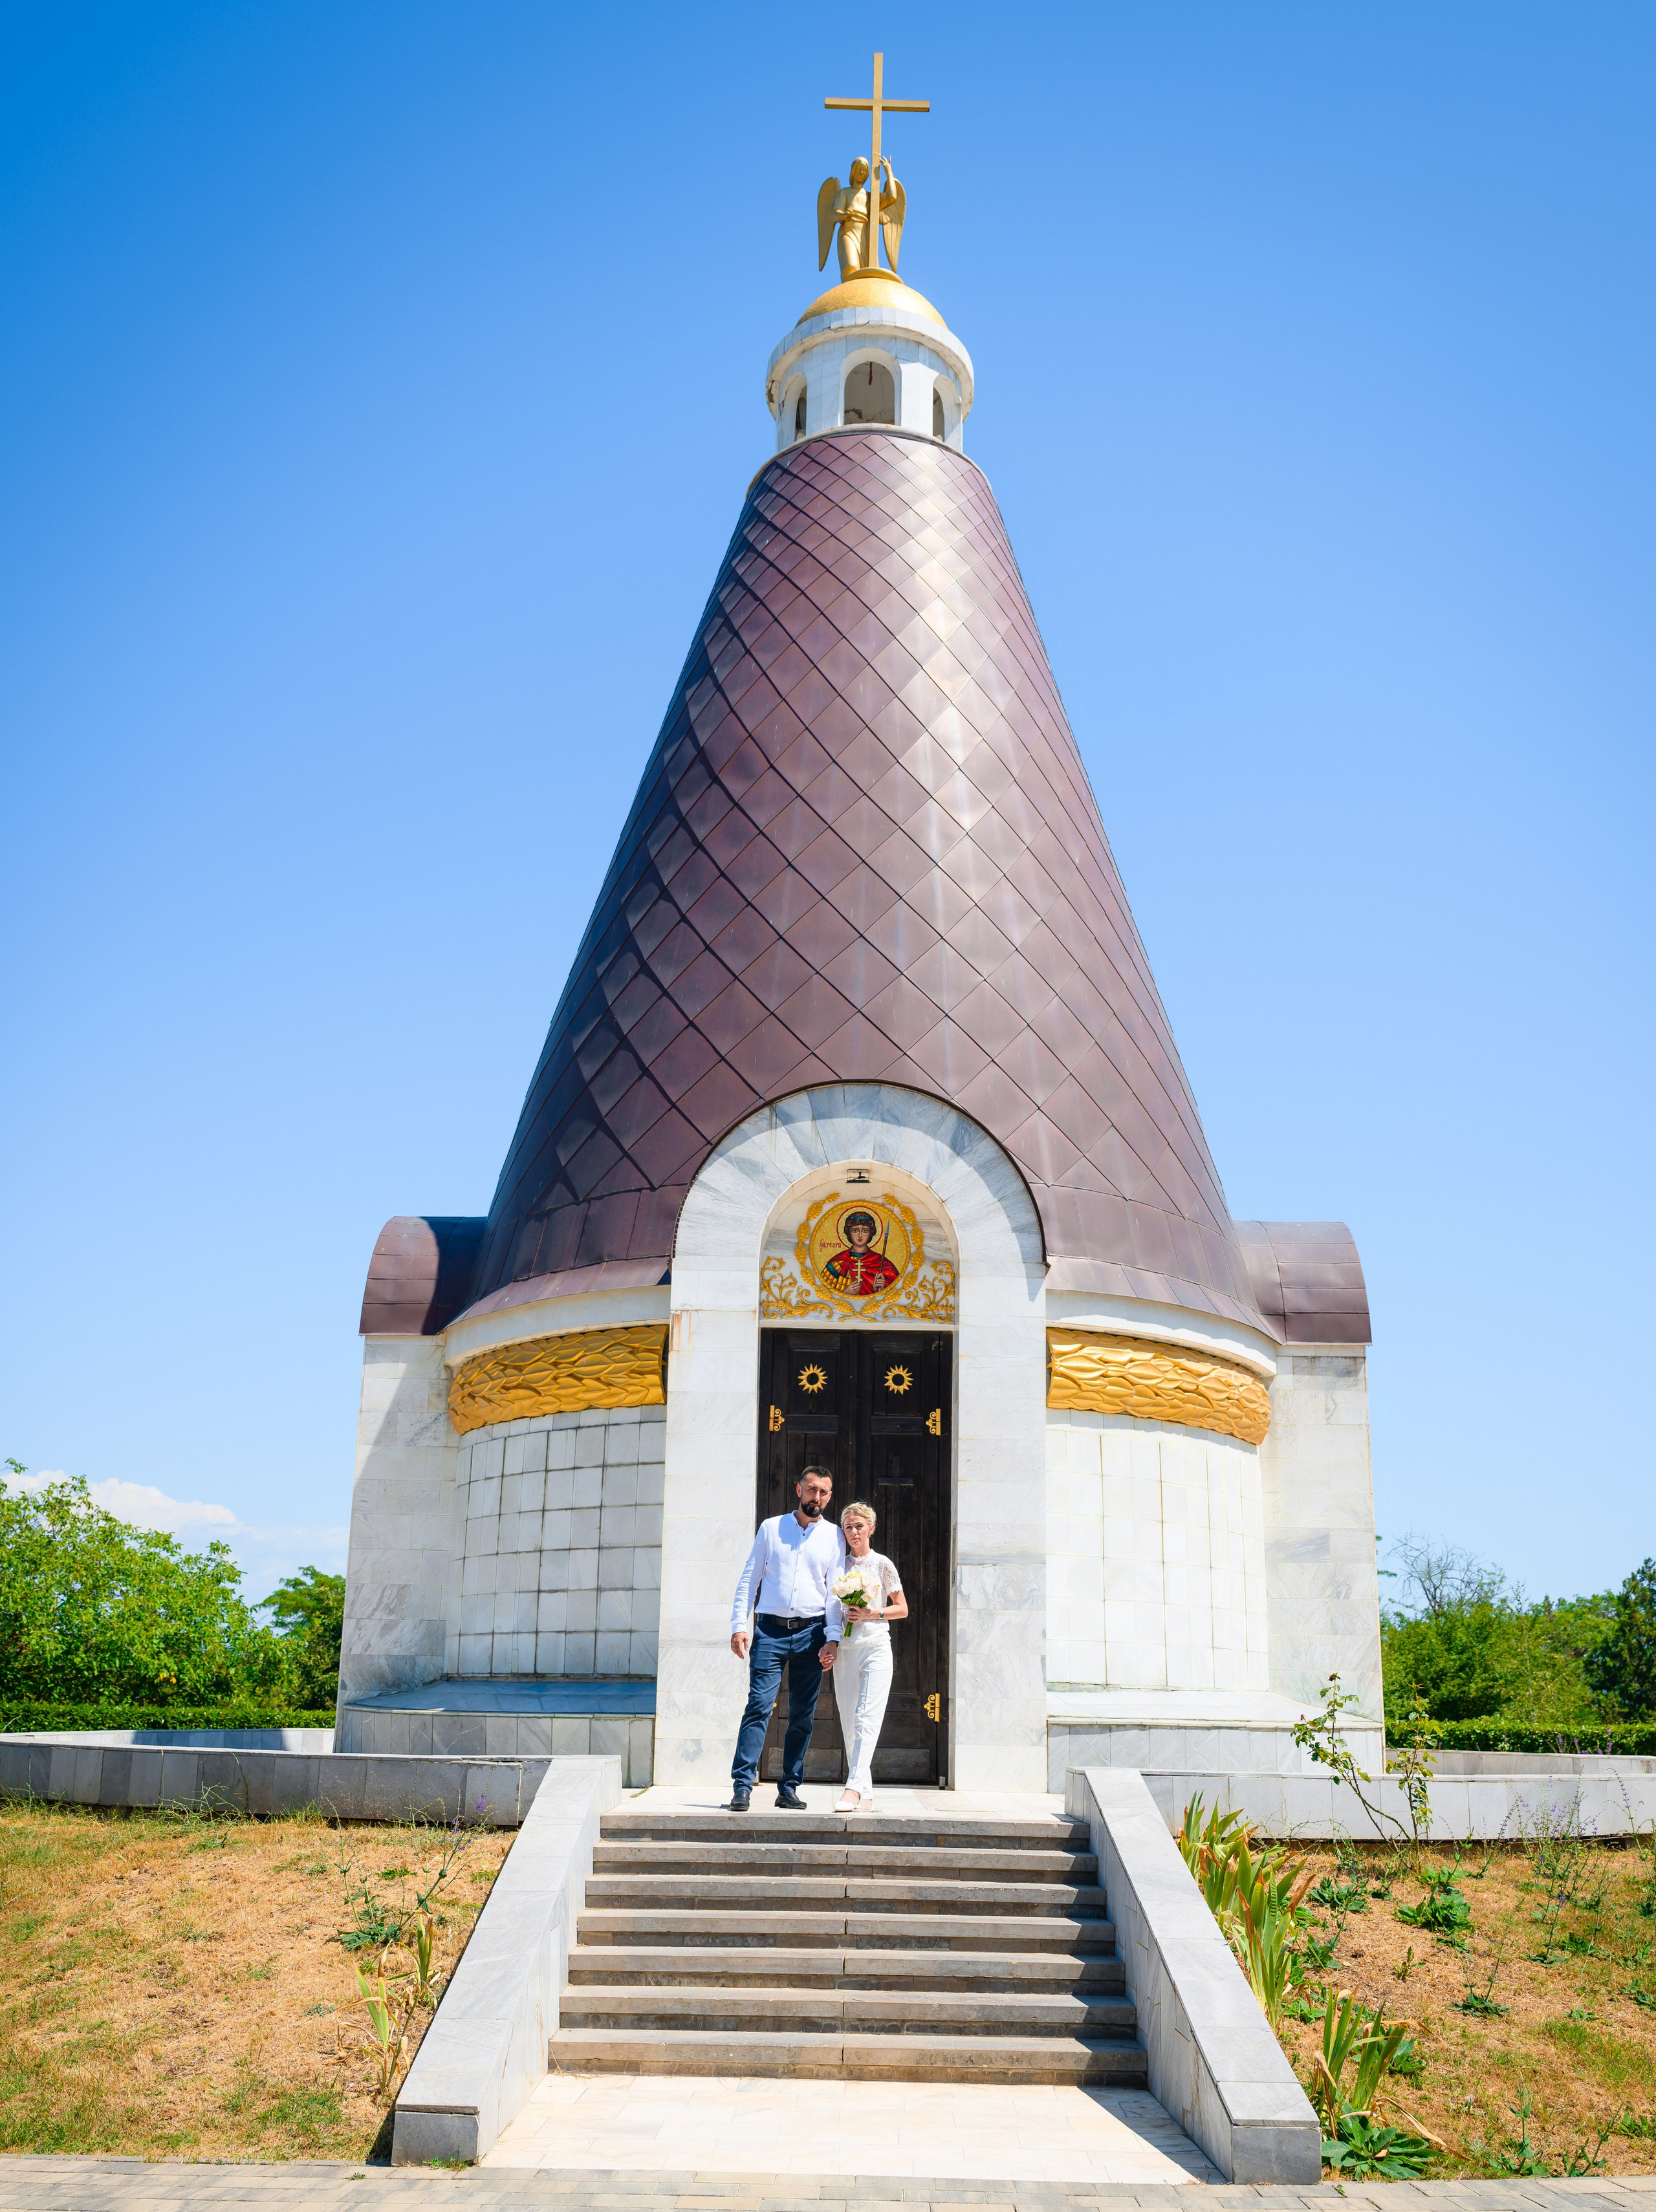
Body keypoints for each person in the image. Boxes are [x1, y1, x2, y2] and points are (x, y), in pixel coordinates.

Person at [727, 1466, 845, 1812]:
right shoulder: (771, 1528)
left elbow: (835, 1593)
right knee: (759, 1706)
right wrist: (739, 1625)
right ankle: (742, 1785)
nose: (817, 1498)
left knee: (803, 1715)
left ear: (829, 1496)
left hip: (813, 1633)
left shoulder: (834, 1536)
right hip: (770, 1632)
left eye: (824, 1492)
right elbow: (750, 1578)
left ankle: (789, 1787)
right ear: (798, 1490)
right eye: (812, 1490)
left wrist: (833, 1638)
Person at [828, 1500, 907, 1813]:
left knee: (866, 1717)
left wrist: (872, 1613)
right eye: (848, 1527)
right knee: (850, 1722)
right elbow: (831, 1608)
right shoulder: (838, 1566)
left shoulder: (883, 1564)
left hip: (876, 1648)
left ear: (871, 1528)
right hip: (846, 1651)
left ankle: (851, 1788)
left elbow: (902, 1608)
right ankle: (867, 1792)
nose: (853, 1532)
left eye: (859, 1526)